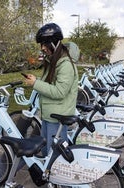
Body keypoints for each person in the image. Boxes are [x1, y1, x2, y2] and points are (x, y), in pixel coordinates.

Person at [24, 23, 79, 156]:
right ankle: (46, 174)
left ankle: (53, 176)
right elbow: (50, 83)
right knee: (46, 151)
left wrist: (36, 83)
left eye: (45, 44)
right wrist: (36, 79)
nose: (42, 48)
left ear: (55, 43)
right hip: (50, 113)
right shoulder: (54, 61)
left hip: (57, 117)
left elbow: (59, 92)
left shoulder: (65, 65)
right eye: (41, 44)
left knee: (54, 155)